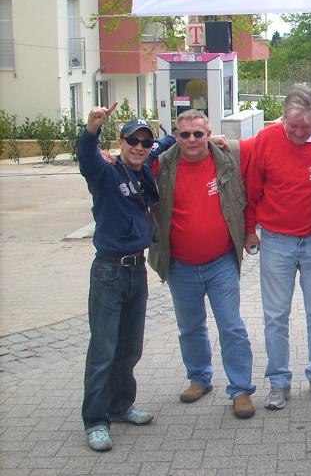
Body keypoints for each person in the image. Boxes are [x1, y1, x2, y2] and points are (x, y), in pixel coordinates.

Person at [148, 109, 257, 419]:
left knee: (231, 326)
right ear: (176, 137)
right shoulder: (162, 165)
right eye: (185, 134)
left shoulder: (228, 158)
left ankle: (241, 389)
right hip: (180, 264)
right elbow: (130, 164)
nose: (192, 139)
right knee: (190, 327)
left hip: (221, 262)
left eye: (199, 133)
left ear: (209, 134)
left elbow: (255, 180)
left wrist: (251, 231)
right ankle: (199, 378)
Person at [245, 85, 311, 409]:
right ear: (283, 119)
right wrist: (249, 231)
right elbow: (251, 190)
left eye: (306, 127)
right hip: (276, 241)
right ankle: (279, 382)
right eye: (293, 127)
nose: (299, 133)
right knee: (276, 315)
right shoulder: (266, 140)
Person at [77, 108, 171, 452]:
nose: (140, 146)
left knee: (130, 347)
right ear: (121, 141)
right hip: (109, 271)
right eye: (133, 140)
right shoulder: (106, 171)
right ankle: (95, 421)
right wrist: (91, 129)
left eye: (145, 142)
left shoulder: (143, 167)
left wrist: (202, 136)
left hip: (137, 270)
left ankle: (120, 405)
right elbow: (86, 157)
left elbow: (164, 143)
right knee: (103, 350)